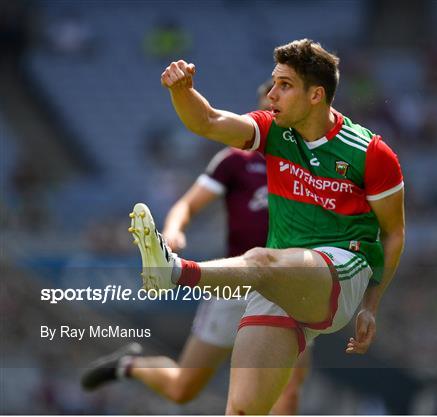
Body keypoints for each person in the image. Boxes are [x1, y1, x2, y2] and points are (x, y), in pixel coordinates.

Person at [129, 39, 404, 414]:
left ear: (316, 95)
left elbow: (394, 234)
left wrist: (371, 305)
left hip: (341, 272)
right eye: (274, 83)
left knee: (260, 260)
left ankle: (174, 272)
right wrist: (183, 91)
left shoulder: (371, 153)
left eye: (284, 85)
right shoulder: (273, 130)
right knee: (242, 411)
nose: (271, 94)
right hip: (278, 284)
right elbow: (208, 121)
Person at [81, 81, 309, 414]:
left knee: (288, 393)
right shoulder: (234, 160)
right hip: (237, 283)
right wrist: (173, 232)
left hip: (288, 285)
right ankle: (130, 365)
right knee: (182, 388)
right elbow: (187, 205)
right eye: (266, 110)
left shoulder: (311, 160)